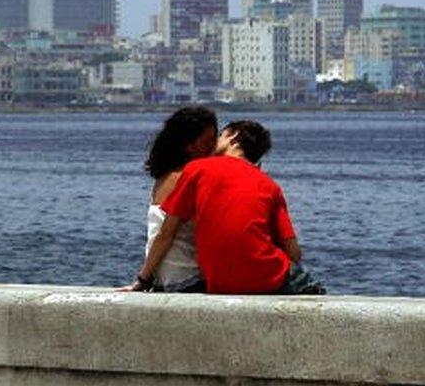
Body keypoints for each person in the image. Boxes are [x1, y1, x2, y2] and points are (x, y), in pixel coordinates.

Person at [126, 120, 325, 295]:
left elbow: (165, 233)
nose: (213, 143)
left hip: (219, 281)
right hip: (266, 277)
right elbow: (293, 251)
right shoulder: (269, 185)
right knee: (311, 287)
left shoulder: (196, 169)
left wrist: (143, 280)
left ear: (233, 137)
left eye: (220, 135)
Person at [122, 107, 217, 293]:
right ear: (189, 146)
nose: (215, 147)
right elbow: (166, 235)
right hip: (187, 278)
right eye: (208, 142)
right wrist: (142, 280)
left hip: (164, 278)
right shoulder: (188, 179)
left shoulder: (165, 176)